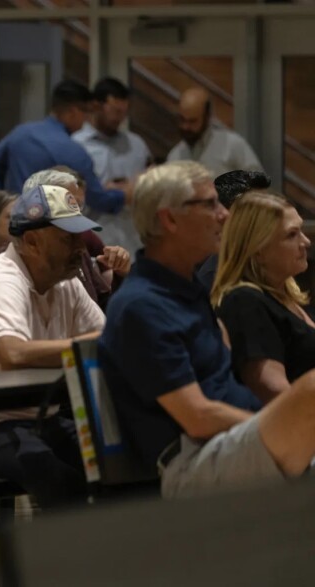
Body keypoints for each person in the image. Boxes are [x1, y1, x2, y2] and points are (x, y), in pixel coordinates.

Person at [99, 161, 315, 499]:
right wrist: (277, 422)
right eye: (210, 205)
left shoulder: (188, 290)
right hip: (194, 461)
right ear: (169, 219)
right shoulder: (141, 305)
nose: (226, 215)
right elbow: (197, 417)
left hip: (230, 443)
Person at [0, 184, 104, 506]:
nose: (82, 247)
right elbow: (12, 353)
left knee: (117, 458)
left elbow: (106, 340)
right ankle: (72, 554)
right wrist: (91, 344)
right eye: (69, 238)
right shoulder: (1, 281)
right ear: (32, 242)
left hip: (37, 419)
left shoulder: (67, 282)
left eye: (81, 236)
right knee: (58, 478)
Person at [212, 192, 313, 404]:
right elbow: (272, 389)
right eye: (291, 235)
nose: (306, 242)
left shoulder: (283, 294)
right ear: (258, 250)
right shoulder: (244, 301)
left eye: (301, 231)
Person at [0, 80, 129, 214]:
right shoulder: (73, 152)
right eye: (85, 112)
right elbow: (98, 200)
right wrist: (127, 194)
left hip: (15, 219)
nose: (86, 119)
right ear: (73, 112)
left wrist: (5, 201)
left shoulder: (20, 133)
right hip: (49, 227)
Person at [23, 168, 131, 309]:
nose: (77, 216)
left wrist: (121, 275)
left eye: (80, 207)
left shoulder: (77, 251)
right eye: (68, 206)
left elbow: (103, 311)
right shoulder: (10, 273)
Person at [73, 77, 151, 252]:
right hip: (91, 240)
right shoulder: (77, 145)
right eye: (115, 111)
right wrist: (107, 192)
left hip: (131, 242)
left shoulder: (136, 145)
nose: (119, 118)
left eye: (123, 112)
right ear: (96, 106)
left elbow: (150, 180)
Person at [195, 169, 272, 291]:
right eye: (257, 211)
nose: (269, 218)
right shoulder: (214, 279)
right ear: (226, 216)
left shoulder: (271, 262)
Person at [166, 87, 263, 177]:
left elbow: (259, 185)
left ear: (207, 117)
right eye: (182, 120)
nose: (185, 127)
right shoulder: (175, 157)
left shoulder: (233, 146)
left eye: (192, 121)